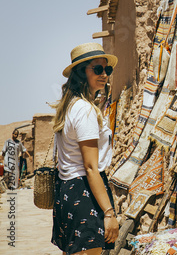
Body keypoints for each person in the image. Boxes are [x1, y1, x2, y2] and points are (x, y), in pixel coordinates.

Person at [51, 42, 119, 255]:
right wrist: (108, 212)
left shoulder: (71, 107)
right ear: (81, 73)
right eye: (97, 69)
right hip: (84, 192)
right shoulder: (85, 111)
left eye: (107, 69)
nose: (104, 74)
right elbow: (90, 167)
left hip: (67, 192)